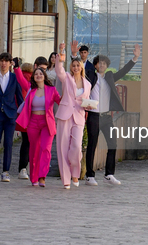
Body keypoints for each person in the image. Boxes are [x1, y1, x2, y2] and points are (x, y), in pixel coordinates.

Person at [84, 43, 140, 186]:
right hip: (94, 116)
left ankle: (109, 174)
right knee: (92, 145)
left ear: (107, 66)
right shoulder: (91, 76)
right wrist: (74, 56)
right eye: (99, 63)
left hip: (107, 117)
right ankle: (90, 176)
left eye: (104, 63)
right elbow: (82, 68)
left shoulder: (109, 77)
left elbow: (123, 71)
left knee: (113, 144)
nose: (102, 65)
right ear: (95, 65)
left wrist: (135, 58)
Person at [55, 43, 93, 189]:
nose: (76, 68)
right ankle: (66, 179)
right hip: (65, 115)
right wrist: (62, 52)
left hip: (79, 116)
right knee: (63, 147)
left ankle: (75, 174)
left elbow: (86, 100)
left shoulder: (87, 84)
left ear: (81, 67)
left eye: (78, 65)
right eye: (74, 66)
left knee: (76, 147)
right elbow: (59, 69)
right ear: (71, 68)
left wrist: (88, 105)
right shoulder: (66, 78)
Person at [15, 68, 61, 187]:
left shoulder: (52, 90)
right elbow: (20, 79)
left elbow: (61, 102)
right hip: (33, 123)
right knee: (34, 150)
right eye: (36, 74)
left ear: (45, 76)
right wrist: (16, 68)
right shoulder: (31, 89)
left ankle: (42, 176)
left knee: (45, 148)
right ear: (33, 77)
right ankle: (34, 177)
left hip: (47, 123)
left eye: (41, 74)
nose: (38, 75)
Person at [0, 52, 23, 182]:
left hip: (10, 115)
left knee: (8, 143)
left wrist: (20, 114)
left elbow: (19, 97)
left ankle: (6, 171)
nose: (3, 63)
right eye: (1, 61)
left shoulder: (14, 78)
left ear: (10, 63)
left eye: (6, 61)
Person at [13, 56, 49, 180]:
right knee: (27, 143)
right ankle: (23, 168)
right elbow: (20, 79)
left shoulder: (49, 88)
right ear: (35, 67)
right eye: (40, 69)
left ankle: (38, 171)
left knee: (40, 146)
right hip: (30, 120)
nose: (42, 72)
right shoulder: (30, 85)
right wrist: (17, 67)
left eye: (45, 69)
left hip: (44, 121)